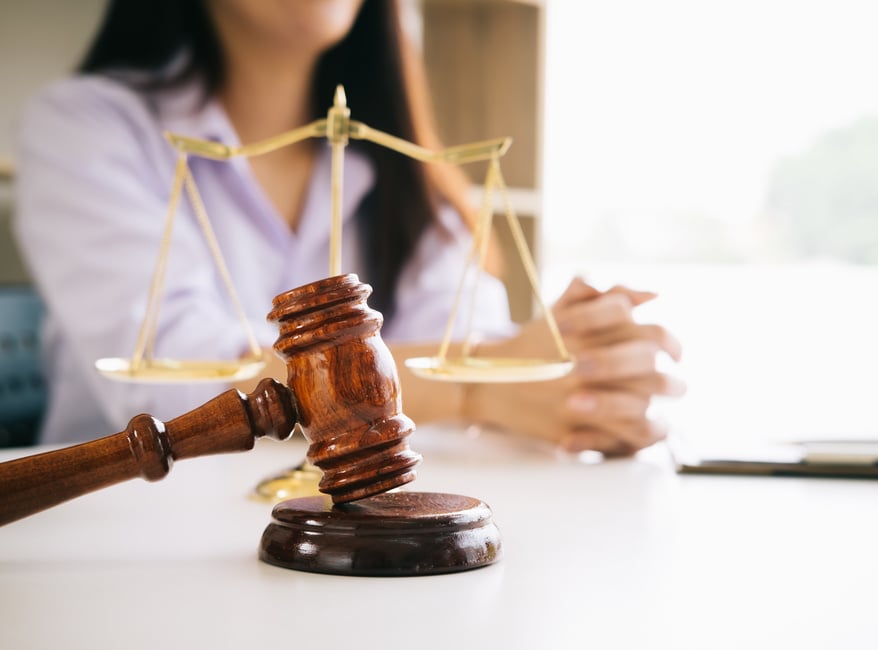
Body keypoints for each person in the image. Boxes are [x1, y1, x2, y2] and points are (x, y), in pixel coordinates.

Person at [14, 0, 684, 455]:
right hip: (132, 529)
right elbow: (175, 384)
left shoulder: (403, 172)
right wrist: (484, 386)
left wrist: (590, 380)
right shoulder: (85, 127)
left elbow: (469, 339)